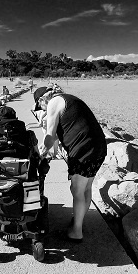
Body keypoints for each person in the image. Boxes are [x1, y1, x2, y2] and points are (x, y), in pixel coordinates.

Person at [36, 87, 107, 242]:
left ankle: (76, 232)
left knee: (77, 190)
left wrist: (40, 153)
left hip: (83, 150)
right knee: (86, 188)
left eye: (39, 106)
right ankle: (78, 222)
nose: (42, 110)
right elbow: (55, 138)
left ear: (42, 99)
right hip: (99, 146)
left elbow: (49, 136)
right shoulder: (69, 99)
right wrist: (52, 152)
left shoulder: (54, 102)